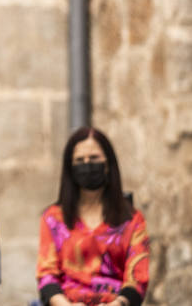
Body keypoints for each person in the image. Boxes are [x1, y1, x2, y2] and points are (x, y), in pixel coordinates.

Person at [36, 127, 148, 306]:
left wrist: (117, 304)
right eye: (80, 160)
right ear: (70, 167)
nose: (87, 164)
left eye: (94, 158)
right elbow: (47, 275)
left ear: (108, 163)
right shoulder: (53, 218)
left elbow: (138, 277)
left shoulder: (132, 220)